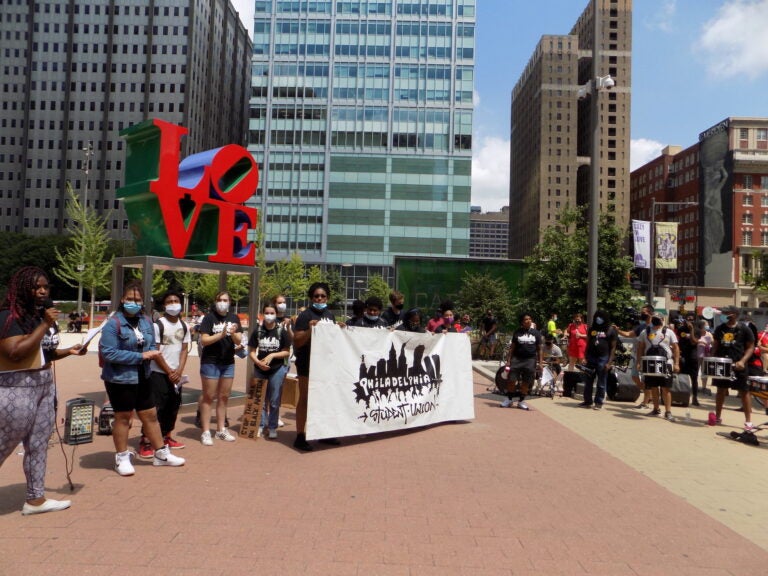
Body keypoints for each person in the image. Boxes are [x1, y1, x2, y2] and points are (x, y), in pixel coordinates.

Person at [0, 267, 87, 515]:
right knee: (3, 444)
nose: (42, 291)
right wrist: (45, 324)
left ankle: (35, 499)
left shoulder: (38, 317)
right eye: (36, 286)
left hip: (44, 385)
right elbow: (16, 353)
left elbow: (41, 353)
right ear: (21, 289)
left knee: (38, 444)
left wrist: (68, 352)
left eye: (46, 287)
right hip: (16, 388)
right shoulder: (8, 317)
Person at [99, 281, 185, 476]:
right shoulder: (114, 323)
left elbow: (150, 345)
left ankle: (161, 453)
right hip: (120, 378)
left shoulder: (146, 321)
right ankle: (121, 457)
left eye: (137, 300)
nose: (134, 303)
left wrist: (149, 354)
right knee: (123, 418)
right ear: (122, 299)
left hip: (143, 376)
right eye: (130, 299)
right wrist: (140, 356)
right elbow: (108, 353)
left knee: (150, 415)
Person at [138, 290, 190, 458]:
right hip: (159, 372)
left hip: (176, 374)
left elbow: (184, 349)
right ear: (164, 305)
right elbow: (155, 351)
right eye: (169, 301)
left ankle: (166, 436)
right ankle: (146, 441)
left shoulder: (184, 325)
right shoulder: (157, 325)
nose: (173, 303)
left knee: (173, 406)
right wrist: (169, 371)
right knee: (156, 408)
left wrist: (179, 371)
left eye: (176, 300)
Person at [292, 282, 337, 451]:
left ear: (327, 297)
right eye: (316, 296)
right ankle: (300, 435)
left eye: (323, 296)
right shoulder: (305, 316)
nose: (319, 298)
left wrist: (340, 330)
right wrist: (310, 330)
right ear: (312, 298)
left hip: (325, 364)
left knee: (324, 399)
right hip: (307, 363)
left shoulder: (330, 315)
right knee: (304, 399)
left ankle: (323, 433)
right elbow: (297, 340)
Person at [198, 291, 243, 446]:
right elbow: (204, 340)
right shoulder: (209, 318)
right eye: (220, 300)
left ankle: (220, 429)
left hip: (228, 362)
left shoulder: (234, 318)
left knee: (224, 396)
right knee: (208, 396)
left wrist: (233, 332)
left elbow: (238, 341)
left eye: (225, 300)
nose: (222, 302)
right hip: (210, 362)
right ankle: (205, 431)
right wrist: (221, 334)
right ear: (215, 301)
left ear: (230, 302)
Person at [248, 303, 291, 440]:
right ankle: (260, 425)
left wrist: (272, 355)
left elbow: (286, 352)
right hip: (260, 369)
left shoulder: (281, 331)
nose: (269, 315)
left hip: (276, 369)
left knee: (274, 400)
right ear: (262, 314)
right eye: (267, 312)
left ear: (276, 314)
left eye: (272, 313)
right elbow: (252, 351)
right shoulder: (258, 331)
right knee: (260, 398)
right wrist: (258, 362)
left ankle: (272, 426)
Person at [711, 306, 755, 430]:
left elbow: (751, 347)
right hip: (722, 364)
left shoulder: (745, 329)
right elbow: (716, 344)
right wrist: (712, 356)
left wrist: (742, 361)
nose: (724, 315)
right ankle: (718, 416)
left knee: (744, 392)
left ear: (735, 314)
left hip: (739, 365)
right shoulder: (720, 328)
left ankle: (748, 421)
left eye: (727, 313)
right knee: (720, 390)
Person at [635, 314, 680, 421]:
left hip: (666, 363)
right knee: (653, 387)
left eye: (659, 319)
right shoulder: (645, 332)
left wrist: (676, 363)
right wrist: (639, 362)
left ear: (663, 320)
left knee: (666, 388)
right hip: (650, 363)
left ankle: (668, 411)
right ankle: (656, 409)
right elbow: (640, 348)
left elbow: (676, 348)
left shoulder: (668, 332)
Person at [500, 313, 542, 411]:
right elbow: (512, 347)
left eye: (530, 319)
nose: (529, 321)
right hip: (517, 359)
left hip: (530, 360)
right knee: (511, 380)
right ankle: (509, 399)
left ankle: (521, 401)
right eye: (526, 319)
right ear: (522, 322)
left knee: (526, 381)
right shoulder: (517, 332)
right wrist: (509, 360)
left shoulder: (536, 333)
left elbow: (540, 349)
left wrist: (540, 363)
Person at [580, 309, 618, 410]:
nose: (598, 319)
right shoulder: (592, 328)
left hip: (603, 358)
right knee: (588, 381)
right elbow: (588, 343)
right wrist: (584, 357)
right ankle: (587, 401)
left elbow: (613, 347)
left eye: (601, 317)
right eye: (597, 316)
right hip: (591, 357)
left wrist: (609, 362)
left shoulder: (610, 330)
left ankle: (598, 402)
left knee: (601, 381)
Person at [674, 314, 700, 406]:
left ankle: (695, 398)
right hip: (682, 356)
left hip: (692, 357)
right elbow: (677, 341)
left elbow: (694, 342)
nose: (689, 321)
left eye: (691, 320)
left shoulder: (697, 330)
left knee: (694, 378)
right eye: (688, 319)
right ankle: (680, 395)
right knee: (680, 377)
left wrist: (692, 329)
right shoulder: (681, 329)